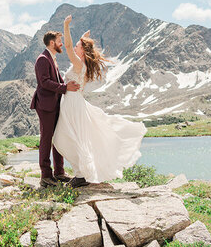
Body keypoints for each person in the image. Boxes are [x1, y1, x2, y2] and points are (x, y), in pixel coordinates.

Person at [53, 15, 146, 186]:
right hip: (74, 102)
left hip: (73, 103)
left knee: (65, 138)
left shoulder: (79, 64)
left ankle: (82, 174)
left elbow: (67, 45)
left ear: (81, 51)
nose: (74, 47)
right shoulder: (82, 64)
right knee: (72, 137)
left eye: (77, 46)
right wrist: (84, 37)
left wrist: (66, 26)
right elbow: (74, 46)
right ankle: (81, 173)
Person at [30, 30, 80, 187]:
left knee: (58, 137)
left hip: (55, 104)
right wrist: (65, 88)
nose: (61, 44)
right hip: (45, 106)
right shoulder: (42, 60)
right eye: (59, 41)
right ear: (52, 43)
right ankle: (46, 175)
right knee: (46, 138)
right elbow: (44, 82)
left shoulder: (51, 58)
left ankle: (59, 172)